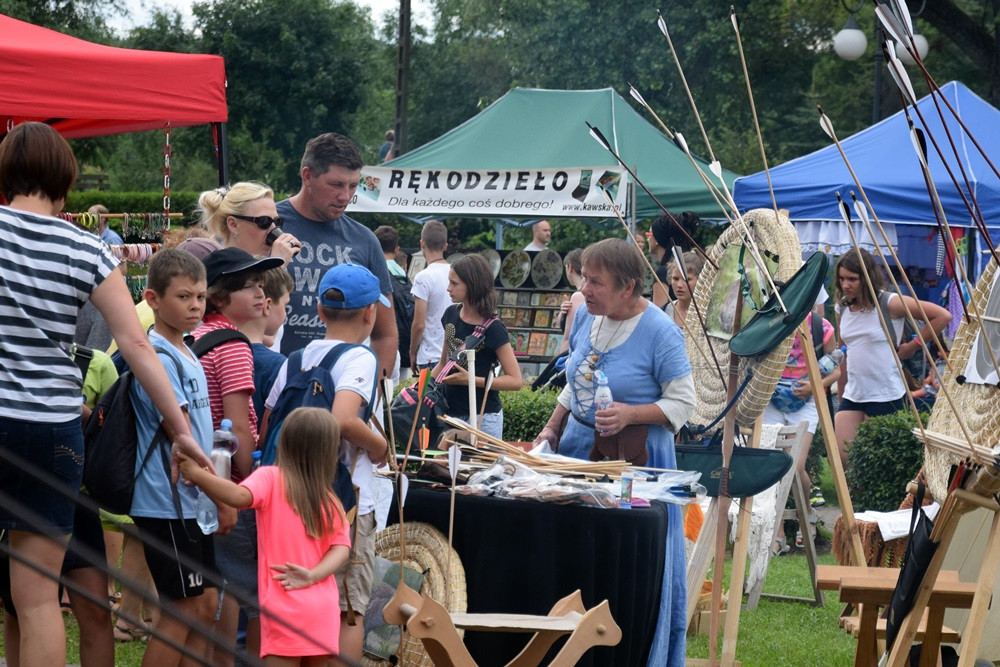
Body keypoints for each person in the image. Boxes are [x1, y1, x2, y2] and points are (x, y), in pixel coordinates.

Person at [0, 120, 207, 666]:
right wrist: (181, 431)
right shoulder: (87, 248)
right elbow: (137, 345)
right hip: (53, 430)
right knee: (40, 598)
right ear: (66, 180)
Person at [530, 238, 695, 665]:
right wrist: (551, 428)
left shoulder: (661, 331)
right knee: (576, 558)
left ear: (628, 287)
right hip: (579, 456)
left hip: (637, 464)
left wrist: (629, 414)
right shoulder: (587, 314)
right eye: (584, 277)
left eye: (596, 281)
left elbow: (684, 403)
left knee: (624, 565)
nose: (584, 288)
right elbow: (575, 380)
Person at [262, 263, 390, 662]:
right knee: (347, 609)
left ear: (320, 312)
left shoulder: (296, 356)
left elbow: (269, 423)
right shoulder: (360, 358)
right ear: (370, 313)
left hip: (290, 497)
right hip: (341, 500)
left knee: (297, 593)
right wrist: (381, 447)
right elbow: (342, 419)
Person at [179, 408, 352, 665]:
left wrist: (197, 474)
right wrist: (313, 574)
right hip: (323, 610)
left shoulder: (270, 478)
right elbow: (341, 548)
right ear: (329, 453)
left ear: (285, 443)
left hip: (285, 608)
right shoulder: (331, 501)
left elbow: (237, 496)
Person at [129, 248, 224, 667]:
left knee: (204, 609)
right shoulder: (158, 358)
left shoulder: (186, 349)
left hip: (191, 502)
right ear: (152, 299)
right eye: (183, 297)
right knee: (182, 609)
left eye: (200, 297)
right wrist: (222, 496)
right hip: (166, 503)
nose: (195, 306)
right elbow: (181, 439)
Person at [193, 247, 283, 665]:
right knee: (258, 595)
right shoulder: (232, 347)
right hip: (230, 477)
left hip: (199, 476)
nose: (262, 296)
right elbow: (240, 425)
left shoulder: (197, 338)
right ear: (219, 297)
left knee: (216, 583)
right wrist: (249, 484)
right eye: (250, 287)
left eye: (263, 287)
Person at [276, 133, 397, 378]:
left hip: (340, 395)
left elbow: (385, 333)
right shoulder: (268, 225)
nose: (345, 196)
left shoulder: (364, 240)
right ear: (307, 176)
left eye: (353, 185)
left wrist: (368, 395)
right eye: (336, 185)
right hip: (274, 389)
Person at [833, 248, 951, 470]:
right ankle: (852, 505)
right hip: (854, 393)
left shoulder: (889, 302)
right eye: (841, 279)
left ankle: (882, 504)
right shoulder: (843, 307)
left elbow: (942, 316)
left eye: (852, 279)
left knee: (878, 464)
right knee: (843, 461)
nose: (846, 285)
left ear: (867, 278)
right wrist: (841, 394)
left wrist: (912, 346)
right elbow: (844, 351)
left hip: (885, 393)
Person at [762, 311, 840, 553]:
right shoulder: (768, 320)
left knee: (795, 466)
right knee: (772, 465)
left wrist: (817, 386)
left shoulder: (820, 326)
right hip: (771, 400)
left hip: (805, 403)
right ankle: (778, 530)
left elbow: (836, 369)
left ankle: (806, 512)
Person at [432, 255, 523, 439]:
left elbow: (515, 381)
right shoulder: (451, 314)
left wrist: (470, 380)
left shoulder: (494, 328)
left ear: (472, 285)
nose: (448, 288)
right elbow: (443, 364)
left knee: (481, 469)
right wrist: (418, 390)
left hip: (483, 417)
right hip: (449, 414)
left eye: (454, 283)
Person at [200, 181, 301, 266]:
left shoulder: (258, 266)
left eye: (277, 221)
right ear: (233, 225)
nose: (274, 229)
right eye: (264, 221)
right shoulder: (219, 268)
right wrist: (277, 264)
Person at [248, 266, 294, 431]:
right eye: (285, 305)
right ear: (266, 306)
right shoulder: (277, 365)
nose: (285, 314)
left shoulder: (218, 346)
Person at [409, 220, 451, 374]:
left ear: (422, 244)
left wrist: (412, 352)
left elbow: (419, 324)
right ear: (445, 246)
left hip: (430, 356)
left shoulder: (423, 277)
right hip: (453, 355)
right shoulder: (457, 273)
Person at [553, 248, 585, 356]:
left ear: (570, 267)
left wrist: (559, 363)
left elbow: (568, 338)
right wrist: (563, 314)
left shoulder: (578, 296)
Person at [662, 250, 706, 329]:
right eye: (675, 278)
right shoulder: (664, 312)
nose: (679, 285)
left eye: (687, 279)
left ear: (700, 280)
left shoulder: (708, 315)